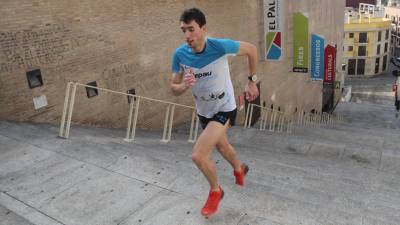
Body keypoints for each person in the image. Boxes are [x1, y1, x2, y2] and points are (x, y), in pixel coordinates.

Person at [169, 8, 259, 217]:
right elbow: (173, 87)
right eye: (183, 30)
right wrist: (183, 86)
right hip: (203, 111)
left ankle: (216, 191)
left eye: (191, 29)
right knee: (223, 147)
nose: (187, 36)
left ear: (203, 28)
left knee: (199, 155)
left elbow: (252, 50)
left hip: (224, 108)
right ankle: (239, 167)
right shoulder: (179, 54)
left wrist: (252, 82)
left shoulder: (219, 46)